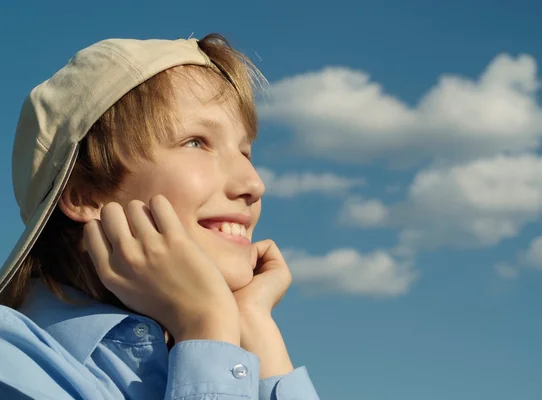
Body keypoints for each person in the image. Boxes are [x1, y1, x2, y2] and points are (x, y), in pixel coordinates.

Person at [0, 33, 320, 399]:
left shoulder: (224, 354)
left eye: (245, 152)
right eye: (196, 142)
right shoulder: (13, 365)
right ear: (86, 193)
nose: (254, 184)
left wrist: (255, 327)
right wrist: (206, 323)